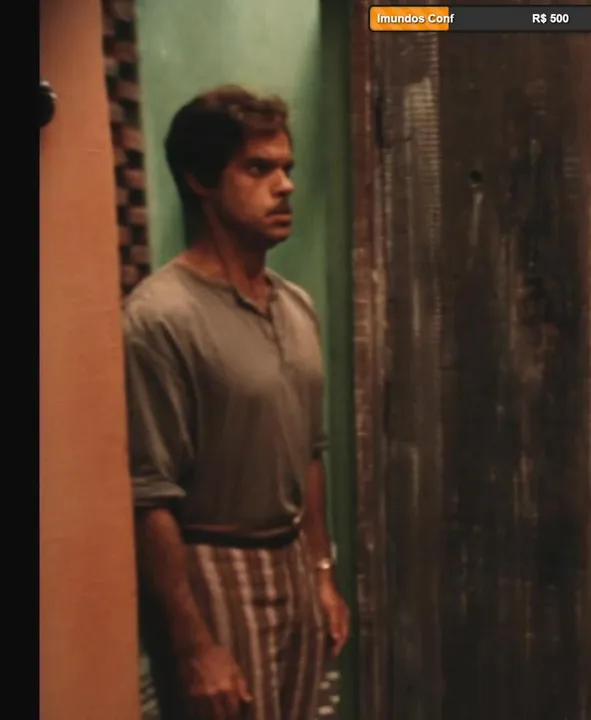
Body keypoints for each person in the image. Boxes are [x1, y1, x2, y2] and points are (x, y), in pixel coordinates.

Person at [127, 86, 350, 720]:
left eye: (287, 168)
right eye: (258, 169)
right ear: (200, 180)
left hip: (293, 560)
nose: (285, 185)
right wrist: (194, 645)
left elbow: (310, 453)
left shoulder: (296, 305)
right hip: (214, 567)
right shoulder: (158, 317)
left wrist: (322, 574)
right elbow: (149, 495)